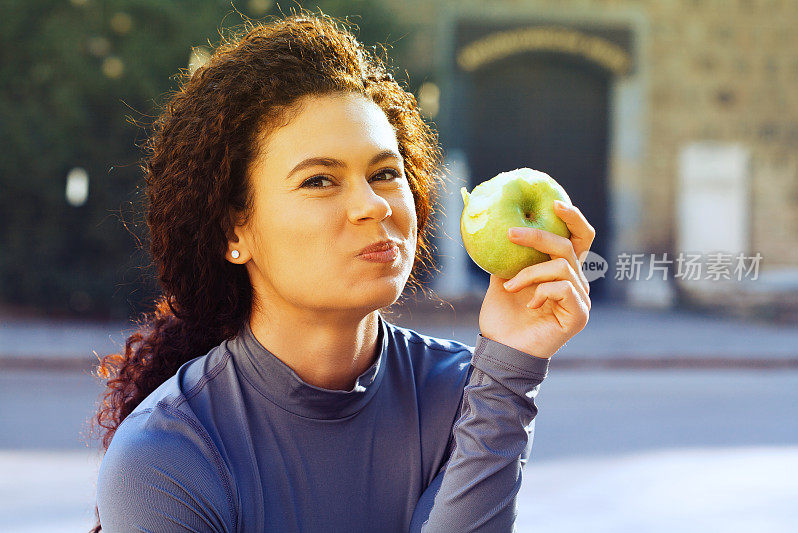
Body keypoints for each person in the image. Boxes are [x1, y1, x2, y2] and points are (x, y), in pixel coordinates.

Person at [91, 11, 594, 533]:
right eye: (319, 181)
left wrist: (513, 363)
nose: (373, 206)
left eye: (384, 173)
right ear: (232, 233)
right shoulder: (164, 459)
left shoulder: (471, 393)